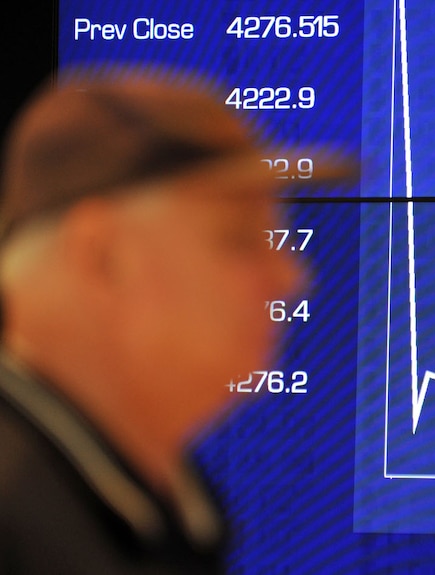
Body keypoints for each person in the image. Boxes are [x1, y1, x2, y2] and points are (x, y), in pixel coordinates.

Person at [0, 69, 306, 573]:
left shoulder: (171, 502)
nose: (290, 277)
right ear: (101, 255)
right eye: (238, 239)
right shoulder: (16, 515)